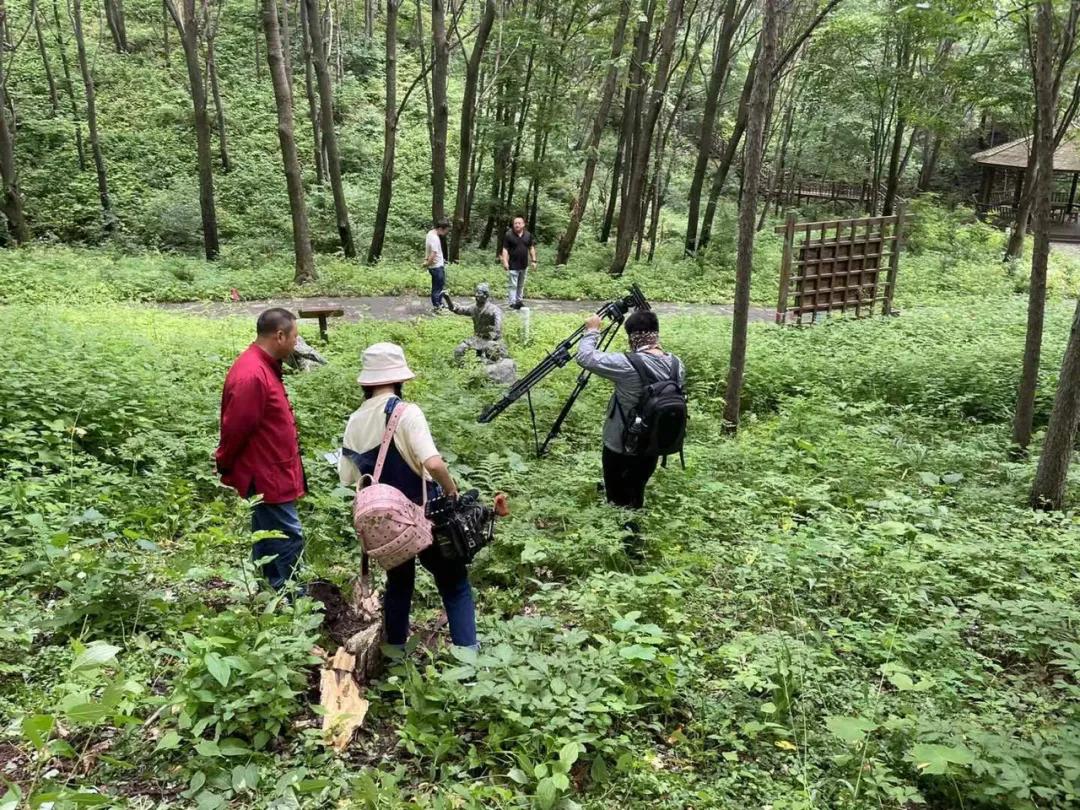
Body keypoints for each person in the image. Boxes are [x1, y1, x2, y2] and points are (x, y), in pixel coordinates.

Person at [338, 343, 478, 649]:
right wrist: (451, 489)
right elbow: (432, 462)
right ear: (399, 379)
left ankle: (394, 656)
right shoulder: (405, 412)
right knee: (454, 584)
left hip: (385, 527)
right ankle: (468, 661)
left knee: (399, 584)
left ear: (367, 382)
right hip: (425, 515)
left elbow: (348, 477)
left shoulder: (354, 420)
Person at [215, 308, 307, 590]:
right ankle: (293, 597)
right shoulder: (253, 375)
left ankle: (270, 589)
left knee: (267, 533)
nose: (296, 343)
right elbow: (236, 429)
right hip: (267, 473)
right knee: (289, 535)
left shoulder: (263, 367)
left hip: (274, 468)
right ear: (279, 335)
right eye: (294, 337)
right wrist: (225, 462)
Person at [576, 309, 685, 515]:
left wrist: (592, 331)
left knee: (617, 499)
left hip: (620, 444)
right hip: (653, 443)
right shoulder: (677, 364)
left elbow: (585, 357)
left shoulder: (627, 364)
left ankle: (625, 538)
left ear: (632, 337)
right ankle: (633, 522)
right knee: (637, 490)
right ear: (656, 333)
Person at [443, 282, 509, 361]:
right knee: (459, 350)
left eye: (479, 293)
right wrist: (447, 299)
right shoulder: (473, 308)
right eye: (476, 292)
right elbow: (456, 309)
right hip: (477, 338)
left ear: (486, 295)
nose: (476, 295)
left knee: (491, 357)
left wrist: (494, 339)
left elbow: (498, 327)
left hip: (490, 340)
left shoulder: (494, 310)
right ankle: (463, 369)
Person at [500, 216, 537, 310]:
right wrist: (505, 262)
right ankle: (512, 303)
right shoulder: (509, 235)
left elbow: (531, 248)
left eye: (519, 223)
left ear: (523, 224)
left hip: (524, 265)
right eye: (515, 223)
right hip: (513, 265)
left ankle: (519, 301)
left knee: (521, 285)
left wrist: (533, 260)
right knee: (513, 285)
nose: (517, 225)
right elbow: (505, 249)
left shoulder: (528, 235)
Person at [424, 217, 451, 314]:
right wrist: (427, 263)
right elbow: (433, 254)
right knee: (437, 288)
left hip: (436, 266)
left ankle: (440, 304)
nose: (446, 233)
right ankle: (437, 307)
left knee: (438, 286)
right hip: (436, 267)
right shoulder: (435, 238)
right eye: (446, 230)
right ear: (440, 228)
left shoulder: (430, 233)